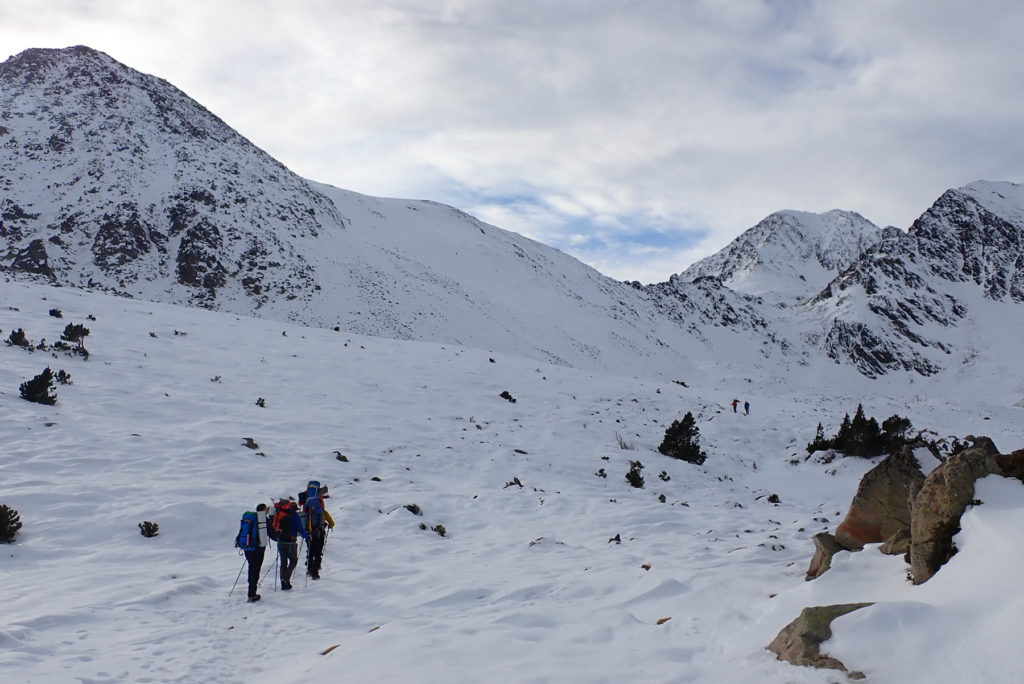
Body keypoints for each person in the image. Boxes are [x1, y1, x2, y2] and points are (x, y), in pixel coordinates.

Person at [273, 497, 308, 590]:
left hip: (280, 541)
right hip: (291, 542)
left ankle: (284, 583)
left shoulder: (280, 514)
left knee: (283, 563)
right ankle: (286, 578)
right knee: (293, 561)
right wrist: (307, 537)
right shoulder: (295, 516)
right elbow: (300, 529)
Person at [304, 484, 335, 580]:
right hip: (320, 534)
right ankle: (315, 572)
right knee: (318, 553)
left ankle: (309, 569)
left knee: (311, 552)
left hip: (310, 534)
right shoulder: (323, 512)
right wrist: (328, 525)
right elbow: (332, 523)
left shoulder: (309, 513)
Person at [244, 503, 269, 602]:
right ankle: (252, 594)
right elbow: (272, 533)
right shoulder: (263, 520)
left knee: (251, 568)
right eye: (266, 509)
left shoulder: (251, 519)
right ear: (264, 510)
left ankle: (251, 590)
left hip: (247, 548)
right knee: (256, 569)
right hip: (258, 549)